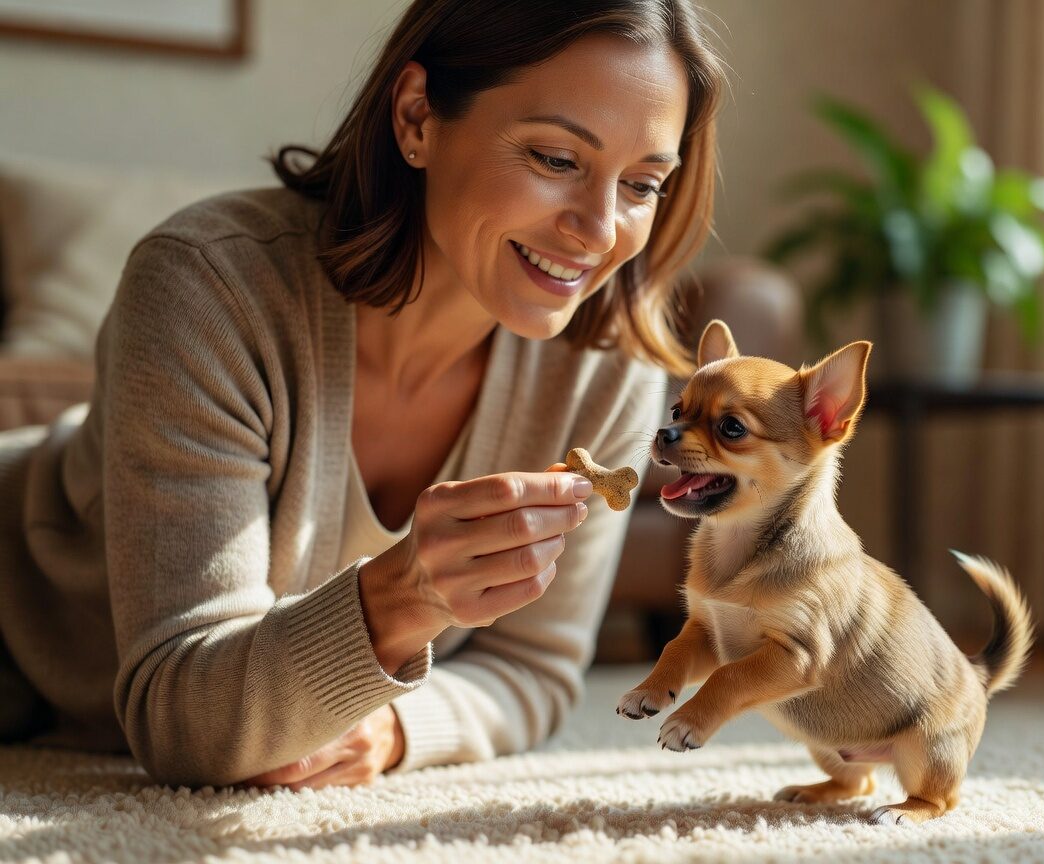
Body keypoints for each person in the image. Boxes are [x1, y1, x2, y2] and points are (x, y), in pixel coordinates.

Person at [0, 0, 725, 789]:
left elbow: (537, 668)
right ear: (417, 118)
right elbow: (183, 722)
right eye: (556, 159)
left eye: (644, 183)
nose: (597, 228)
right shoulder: (207, 286)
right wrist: (403, 595)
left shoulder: (609, 368)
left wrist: (391, 727)